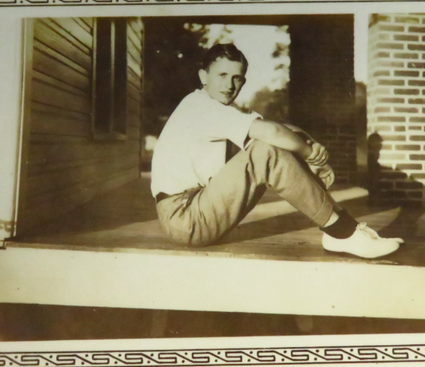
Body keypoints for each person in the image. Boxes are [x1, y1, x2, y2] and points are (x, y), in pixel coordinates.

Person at [150, 43, 403, 259]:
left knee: (274, 143)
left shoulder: (216, 107)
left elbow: (278, 128)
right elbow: (271, 136)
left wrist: (312, 146)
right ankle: (342, 232)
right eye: (222, 75)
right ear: (203, 76)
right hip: (185, 217)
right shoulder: (202, 107)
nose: (230, 84)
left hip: (196, 207)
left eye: (237, 78)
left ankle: (344, 228)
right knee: (267, 150)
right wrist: (309, 154)